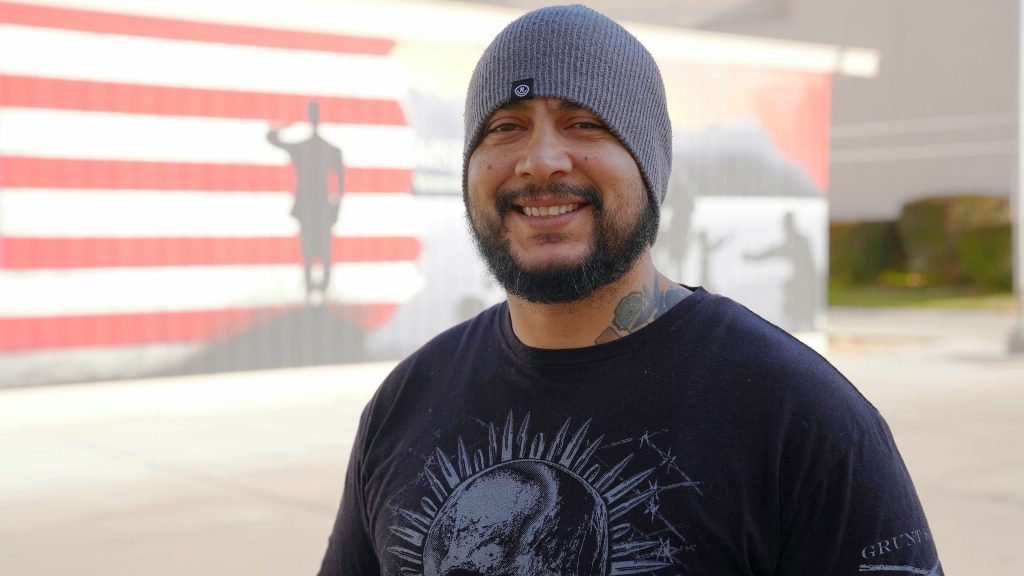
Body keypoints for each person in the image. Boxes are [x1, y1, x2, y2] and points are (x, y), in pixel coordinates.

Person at [318, 6, 942, 576]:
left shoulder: (799, 417)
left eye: (584, 123)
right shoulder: (406, 403)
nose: (541, 160)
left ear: (649, 166)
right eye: (506, 126)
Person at [267, 101, 344, 304]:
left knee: (320, 251)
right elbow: (270, 138)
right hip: (312, 208)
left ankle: (321, 294)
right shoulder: (311, 147)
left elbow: (340, 183)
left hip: (318, 207)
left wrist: (337, 207)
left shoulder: (322, 148)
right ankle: (312, 293)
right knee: (311, 251)